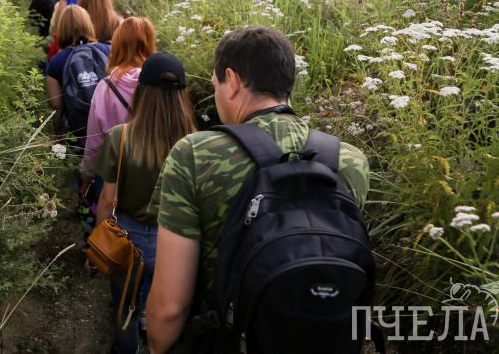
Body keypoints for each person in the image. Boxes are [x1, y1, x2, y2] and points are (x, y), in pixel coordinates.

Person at [146, 26, 370, 353]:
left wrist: (156, 347)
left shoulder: (194, 155)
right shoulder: (350, 160)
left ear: (232, 81)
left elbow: (170, 308)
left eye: (216, 86)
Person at [95, 52, 197, 354]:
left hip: (129, 238)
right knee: (168, 309)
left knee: (124, 305)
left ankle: (128, 348)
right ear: (182, 96)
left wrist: (99, 242)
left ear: (141, 91)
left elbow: (107, 199)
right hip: (178, 243)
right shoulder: (196, 143)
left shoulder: (120, 137)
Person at [78, 17, 156, 222]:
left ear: (117, 44)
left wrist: (87, 176)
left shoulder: (106, 87)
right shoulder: (157, 85)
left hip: (112, 171)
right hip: (151, 170)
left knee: (110, 225)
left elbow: (94, 140)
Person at [45, 5, 110, 145]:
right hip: (111, 130)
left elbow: (56, 106)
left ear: (62, 29)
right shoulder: (107, 50)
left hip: (79, 134)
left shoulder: (56, 61)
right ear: (88, 24)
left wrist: (59, 139)